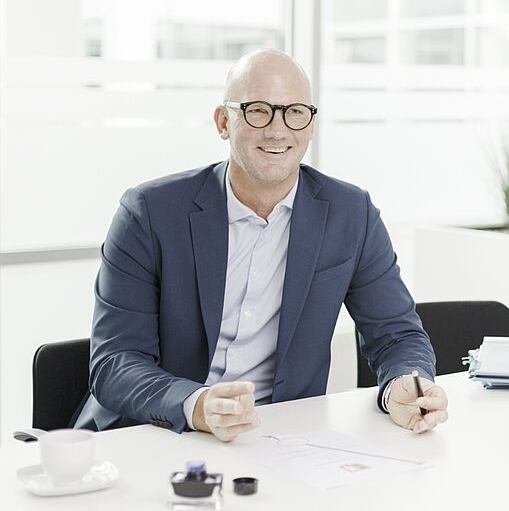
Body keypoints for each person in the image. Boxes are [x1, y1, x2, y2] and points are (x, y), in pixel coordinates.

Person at [74, 49, 449, 441]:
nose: (277, 130)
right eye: (257, 111)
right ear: (223, 121)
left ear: (310, 125)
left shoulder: (351, 214)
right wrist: (197, 405)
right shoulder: (148, 213)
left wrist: (404, 386)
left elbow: (397, 334)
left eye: (295, 112)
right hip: (151, 435)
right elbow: (115, 362)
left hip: (281, 440)